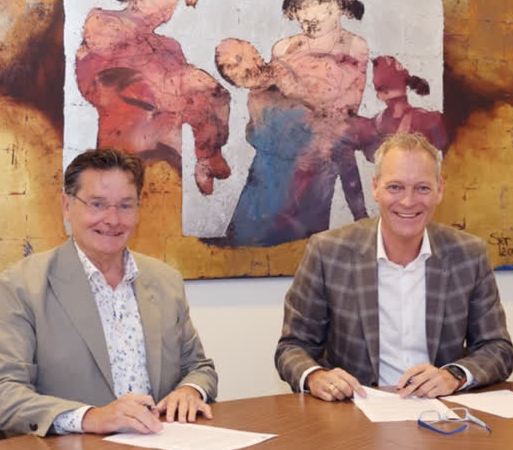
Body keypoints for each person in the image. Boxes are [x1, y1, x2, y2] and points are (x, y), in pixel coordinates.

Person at [275, 133, 513, 401]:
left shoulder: (469, 255)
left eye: (422, 188)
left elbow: (498, 348)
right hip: (355, 413)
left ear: (439, 190)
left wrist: (454, 375)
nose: (408, 201)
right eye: (395, 187)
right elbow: (292, 347)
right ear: (375, 187)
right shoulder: (327, 252)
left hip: (440, 415)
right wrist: (316, 377)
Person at [0, 149, 218, 437]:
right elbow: (6, 391)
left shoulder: (166, 281)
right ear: (67, 206)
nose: (113, 220)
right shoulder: (21, 286)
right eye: (97, 204)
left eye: (125, 206)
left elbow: (199, 367)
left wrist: (190, 390)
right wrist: (89, 417)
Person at [212, 0, 369, 247]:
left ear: (336, 6)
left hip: (312, 174)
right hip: (266, 178)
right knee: (247, 246)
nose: (306, 19)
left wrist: (360, 213)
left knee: (297, 250)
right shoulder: (282, 52)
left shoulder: (354, 48)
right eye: (299, 12)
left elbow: (342, 126)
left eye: (313, 8)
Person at [76, 0, 231, 195]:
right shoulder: (103, 23)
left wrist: (208, 149)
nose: (170, 8)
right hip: (123, 158)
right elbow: (100, 85)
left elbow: (195, 106)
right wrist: (176, 87)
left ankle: (208, 158)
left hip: (167, 166)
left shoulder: (170, 47)